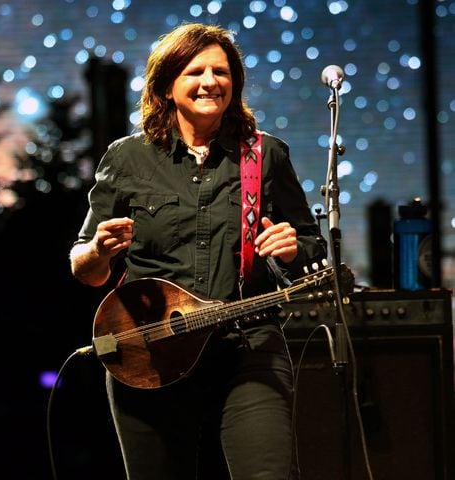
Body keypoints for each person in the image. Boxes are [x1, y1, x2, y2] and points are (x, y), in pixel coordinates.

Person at [69, 22, 327, 480]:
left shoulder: (265, 155)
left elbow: (311, 251)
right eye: (195, 71)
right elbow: (85, 269)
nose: (211, 81)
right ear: (166, 85)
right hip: (150, 352)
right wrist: (100, 252)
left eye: (222, 72)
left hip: (248, 347)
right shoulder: (126, 158)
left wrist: (291, 251)